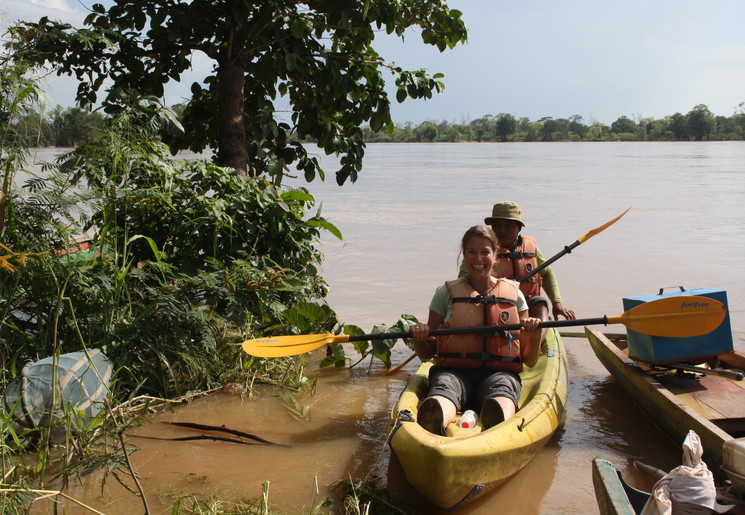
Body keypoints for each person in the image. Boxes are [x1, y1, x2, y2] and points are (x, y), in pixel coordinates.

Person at [411, 225, 542, 436]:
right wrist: (419, 338)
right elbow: (427, 354)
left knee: (502, 390)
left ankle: (497, 419)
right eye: (472, 251)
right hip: (454, 372)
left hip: (500, 373)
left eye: (485, 252)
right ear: (464, 255)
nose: (478, 258)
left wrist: (534, 337)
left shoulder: (515, 296)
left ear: (495, 254)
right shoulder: (445, 294)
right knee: (444, 387)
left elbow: (529, 361)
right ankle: (435, 418)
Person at [484, 201, 576, 322]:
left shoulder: (532, 248)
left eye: (508, 225)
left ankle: (538, 336)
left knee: (540, 304)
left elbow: (547, 273)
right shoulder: (482, 250)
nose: (502, 230)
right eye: (497, 225)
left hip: (529, 306)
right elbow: (465, 281)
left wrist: (557, 303)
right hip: (495, 304)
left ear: (519, 228)